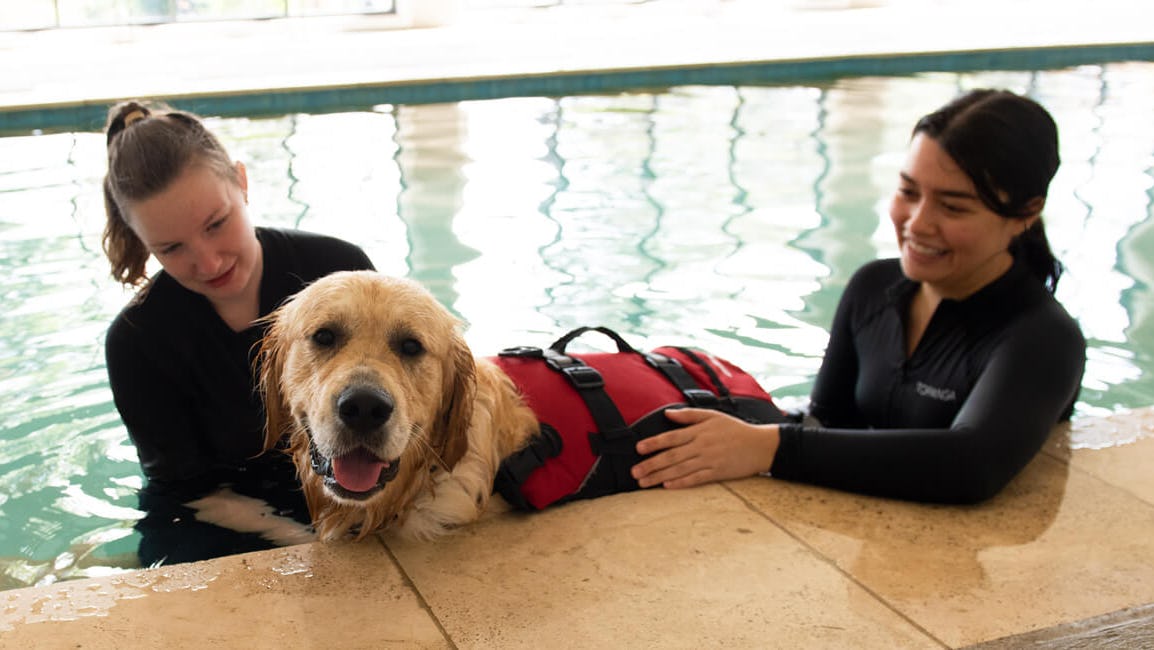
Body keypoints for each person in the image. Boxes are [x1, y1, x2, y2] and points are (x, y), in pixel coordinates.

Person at [631, 89, 1086, 504]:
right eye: (908, 192)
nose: (917, 223)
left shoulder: (1043, 337)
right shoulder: (873, 288)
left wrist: (769, 447)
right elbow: (824, 422)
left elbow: (971, 465)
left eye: (952, 207)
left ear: (1026, 212)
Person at [102, 100, 376, 566]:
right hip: (217, 513)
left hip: (344, 474)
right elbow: (185, 490)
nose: (208, 263)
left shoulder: (335, 270)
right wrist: (306, 543)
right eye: (170, 248)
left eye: (216, 224)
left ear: (242, 183)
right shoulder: (137, 341)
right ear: (143, 241)